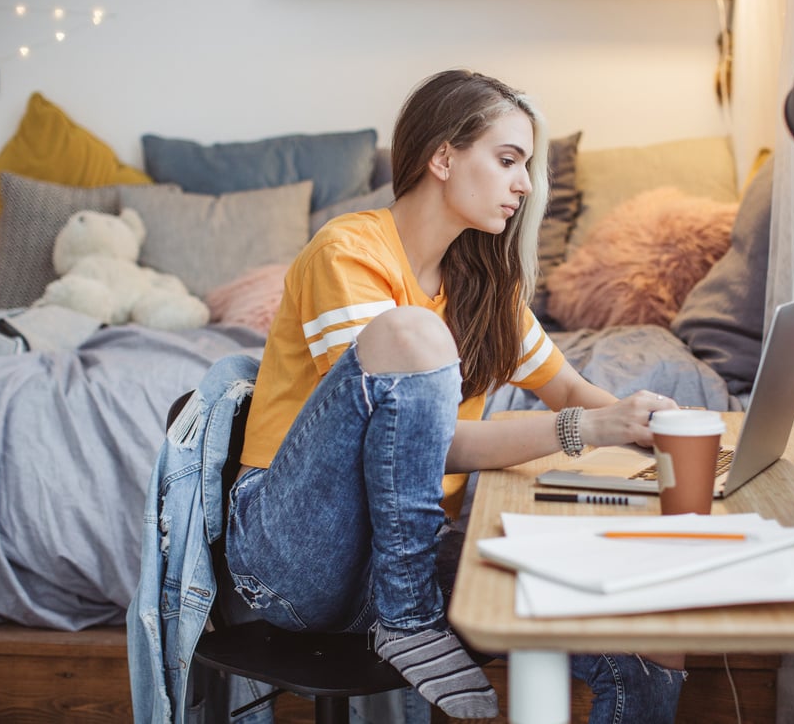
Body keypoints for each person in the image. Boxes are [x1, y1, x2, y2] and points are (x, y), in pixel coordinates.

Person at [228, 69, 685, 721]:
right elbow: (415, 447)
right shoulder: (347, 251)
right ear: (442, 156)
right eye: (507, 161)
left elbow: (564, 386)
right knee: (413, 335)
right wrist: (590, 428)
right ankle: (408, 616)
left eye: (525, 165)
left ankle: (408, 606)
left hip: (401, 552)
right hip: (293, 556)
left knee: (647, 638)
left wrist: (643, 418)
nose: (524, 184)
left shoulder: (479, 283)